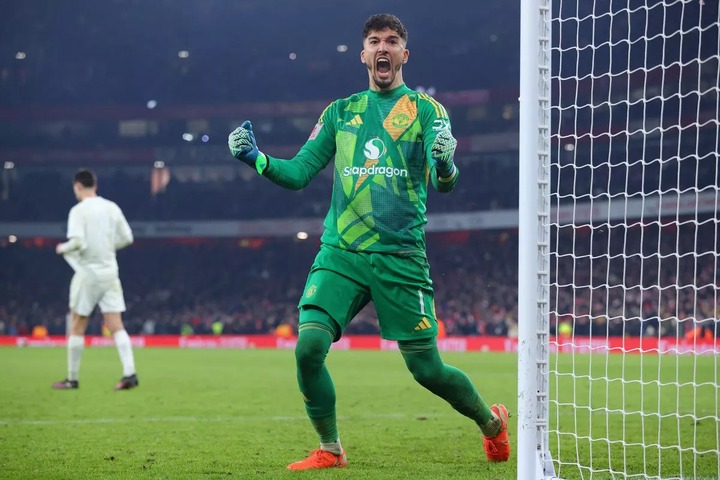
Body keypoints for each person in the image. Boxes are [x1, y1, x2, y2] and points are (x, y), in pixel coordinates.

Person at [228, 13, 510, 470]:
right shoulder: (340, 112)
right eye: (375, 41)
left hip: (400, 255)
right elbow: (299, 173)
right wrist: (256, 158)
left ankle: (491, 423)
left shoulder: (427, 112)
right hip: (342, 251)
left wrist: (444, 165)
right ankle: (331, 449)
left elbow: (447, 184)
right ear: (363, 54)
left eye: (392, 41)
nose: (383, 48)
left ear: (404, 54)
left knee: (428, 371)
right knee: (308, 348)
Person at [52, 168, 139, 391]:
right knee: (116, 324)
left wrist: (62, 248)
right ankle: (130, 374)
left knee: (77, 324)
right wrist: (109, 246)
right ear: (95, 186)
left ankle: (72, 379)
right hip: (110, 271)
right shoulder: (111, 207)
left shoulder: (78, 211)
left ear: (77, 186)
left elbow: (78, 242)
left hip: (88, 273)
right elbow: (127, 238)